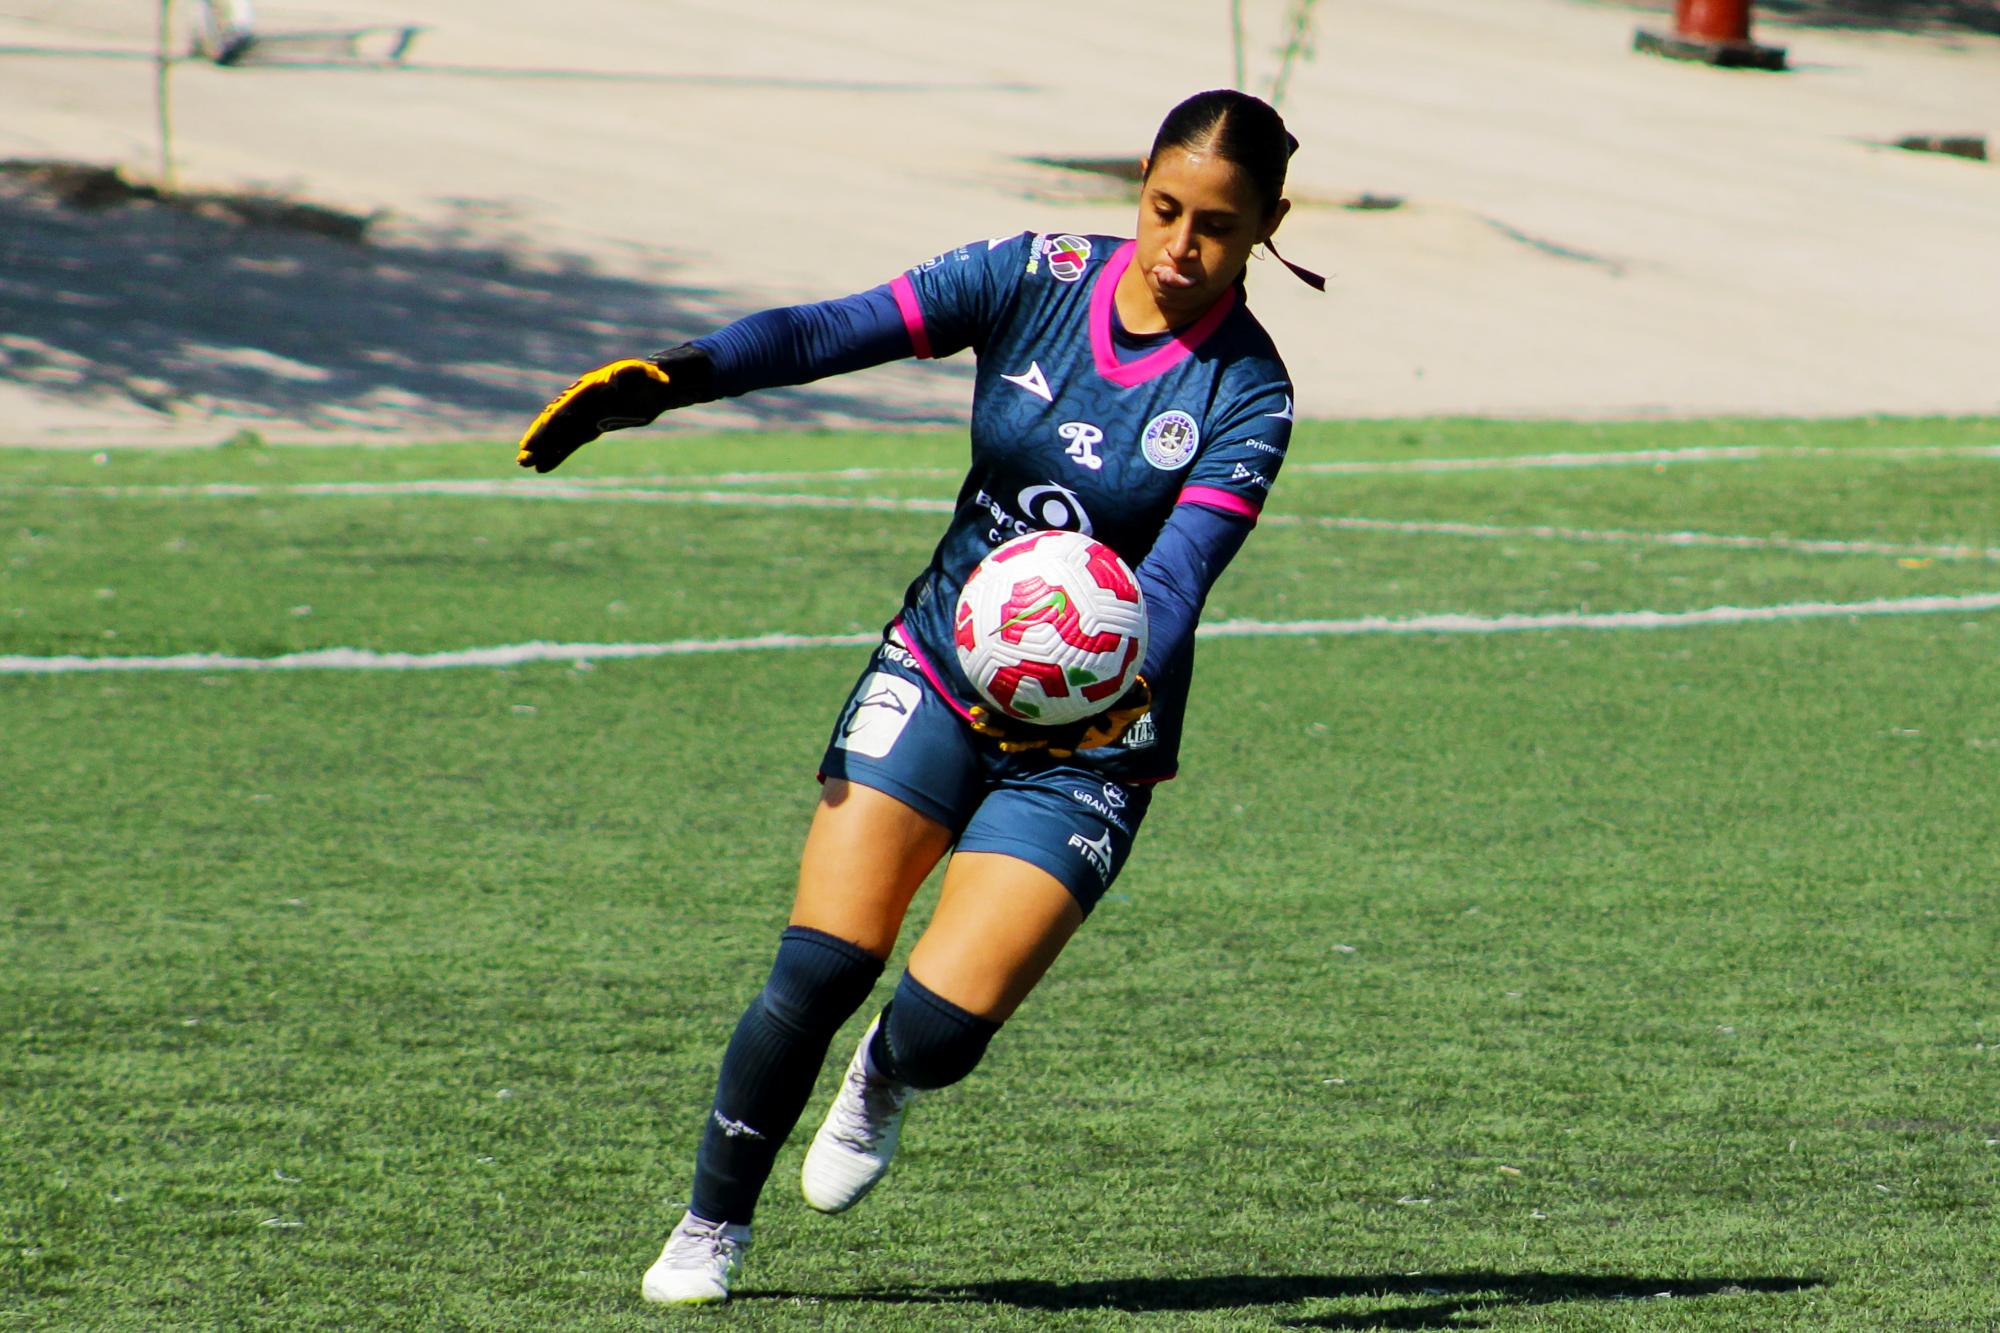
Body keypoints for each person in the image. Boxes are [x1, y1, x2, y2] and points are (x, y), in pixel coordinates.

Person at [514, 88, 1319, 1306]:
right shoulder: (1031, 273)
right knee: (822, 964)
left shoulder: (1248, 394)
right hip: (941, 667)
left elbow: (1177, 575)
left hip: (1092, 734)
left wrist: (1104, 671)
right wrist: (676, 378)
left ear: (1267, 223)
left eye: (1215, 224)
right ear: (1138, 185)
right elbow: (835, 329)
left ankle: (886, 1072)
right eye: (1162, 208)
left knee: (943, 1029)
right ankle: (709, 1227)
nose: (1178, 247)